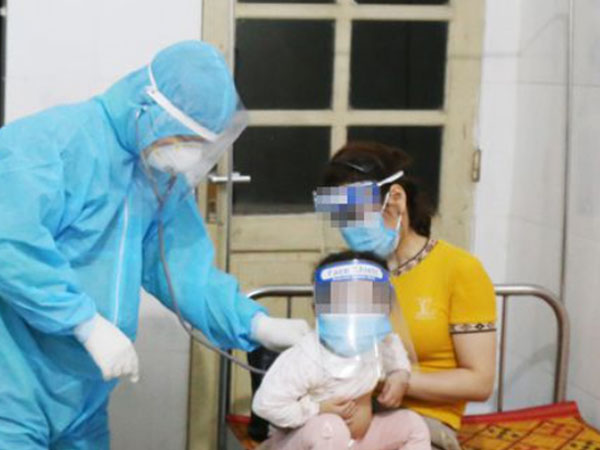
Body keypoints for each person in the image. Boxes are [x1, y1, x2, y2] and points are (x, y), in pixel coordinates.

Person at [0, 40, 309, 449]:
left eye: (200, 144)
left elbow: (182, 268)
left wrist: (255, 324)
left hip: (85, 393)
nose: (188, 154)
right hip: (14, 382)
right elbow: (10, 240)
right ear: (148, 107)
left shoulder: (157, 178)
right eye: (183, 137)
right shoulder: (52, 143)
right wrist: (83, 322)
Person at [317, 141, 497, 450]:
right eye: (341, 215)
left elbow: (479, 382)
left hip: (423, 422)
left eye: (356, 212)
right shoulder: (353, 272)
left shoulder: (459, 269)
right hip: (353, 415)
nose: (349, 226)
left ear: (396, 199)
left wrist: (393, 379)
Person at [252, 251, 431, 450]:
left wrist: (399, 375)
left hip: (359, 441)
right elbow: (266, 404)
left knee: (412, 425)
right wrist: (317, 409)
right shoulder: (306, 357)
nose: (357, 313)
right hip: (306, 441)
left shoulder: (373, 342)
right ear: (317, 309)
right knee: (330, 429)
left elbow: (394, 350)